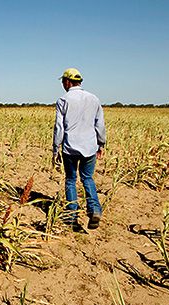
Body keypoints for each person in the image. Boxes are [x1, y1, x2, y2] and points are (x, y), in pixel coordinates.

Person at [52, 68, 106, 230]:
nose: (62, 84)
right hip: (90, 147)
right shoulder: (93, 98)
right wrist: (101, 144)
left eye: (63, 81)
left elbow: (59, 128)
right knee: (87, 178)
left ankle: (72, 215)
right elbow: (100, 124)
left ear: (68, 82)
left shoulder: (63, 100)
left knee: (70, 180)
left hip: (70, 148)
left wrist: (56, 148)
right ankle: (94, 209)